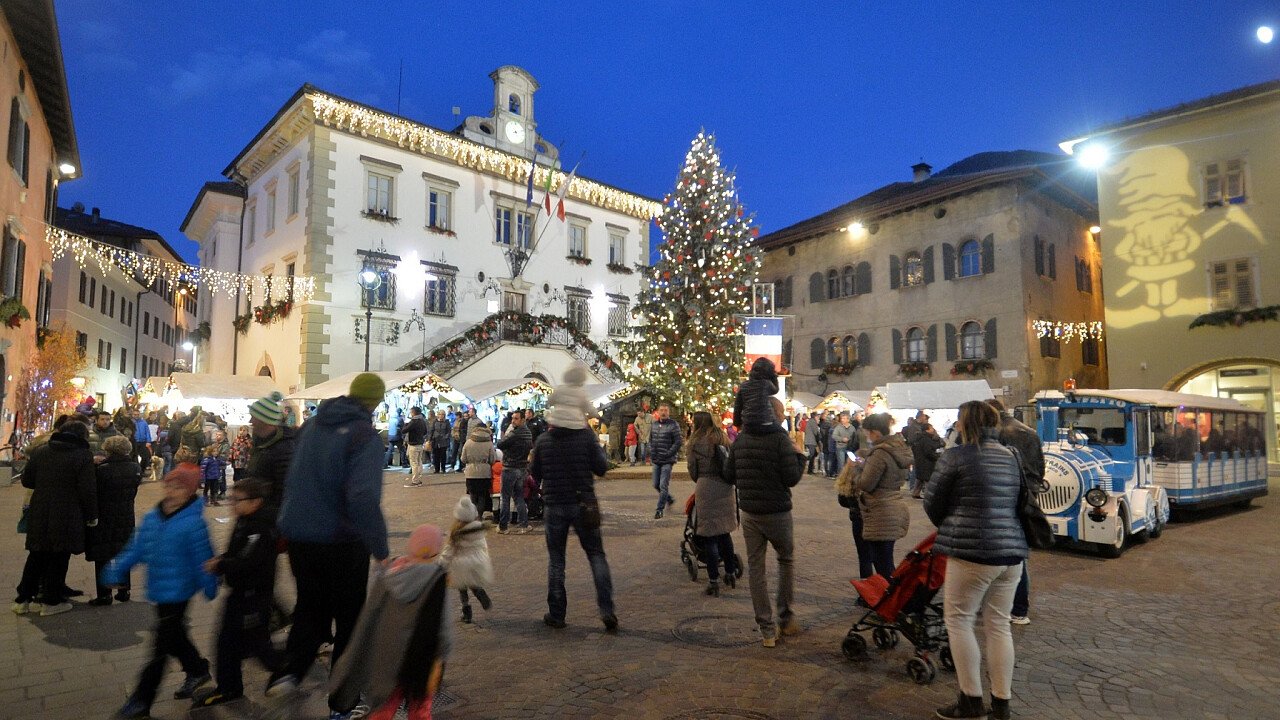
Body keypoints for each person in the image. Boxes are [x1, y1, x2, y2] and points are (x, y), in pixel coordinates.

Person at [269, 373, 390, 720]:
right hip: (341, 540)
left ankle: (289, 673)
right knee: (350, 621)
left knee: (311, 608)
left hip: (300, 536)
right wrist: (380, 548)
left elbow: (294, 477)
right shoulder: (364, 436)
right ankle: (343, 703)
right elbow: (363, 497)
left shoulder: (312, 425)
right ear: (376, 402)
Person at [924, 401, 1028, 720]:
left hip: (973, 553)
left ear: (963, 423)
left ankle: (970, 701)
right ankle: (1001, 704)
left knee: (959, 620)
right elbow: (1022, 500)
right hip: (1012, 553)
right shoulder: (1011, 456)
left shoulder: (956, 456)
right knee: (998, 625)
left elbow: (932, 502)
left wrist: (954, 523)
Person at [106, 465, 217, 719]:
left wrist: (209, 585)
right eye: (169, 484)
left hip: (179, 592)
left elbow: (204, 557)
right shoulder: (152, 518)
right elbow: (136, 548)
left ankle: (141, 701)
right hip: (158, 588)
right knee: (174, 635)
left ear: (190, 492)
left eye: (179, 487)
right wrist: (117, 570)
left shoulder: (194, 523)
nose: (171, 490)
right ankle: (197, 669)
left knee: (160, 648)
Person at [328, 524, 452, 720]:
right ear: (436, 550)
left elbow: (370, 615)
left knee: (383, 709)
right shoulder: (437, 579)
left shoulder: (389, 575)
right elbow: (444, 630)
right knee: (420, 710)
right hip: (422, 659)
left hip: (387, 657)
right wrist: (441, 655)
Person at [192, 479, 284, 708]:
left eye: (237, 499)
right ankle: (230, 686)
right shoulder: (246, 521)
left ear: (255, 502)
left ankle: (292, 668)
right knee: (236, 644)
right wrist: (223, 559)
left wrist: (220, 565)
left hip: (251, 596)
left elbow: (248, 560)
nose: (232, 503)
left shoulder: (260, 527)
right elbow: (239, 553)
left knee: (250, 646)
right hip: (243, 593)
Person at [530, 399, 616, 632]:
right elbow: (601, 467)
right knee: (596, 555)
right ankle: (607, 609)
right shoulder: (586, 437)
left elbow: (534, 472)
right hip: (582, 503)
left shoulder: (544, 440)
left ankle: (557, 613)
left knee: (557, 560)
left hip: (555, 504)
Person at [725, 397, 803, 647]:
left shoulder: (742, 439)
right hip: (777, 512)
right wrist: (801, 458)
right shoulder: (780, 439)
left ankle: (767, 630)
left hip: (750, 512)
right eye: (780, 411)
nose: (783, 415)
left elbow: (728, 474)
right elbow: (791, 478)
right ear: (772, 413)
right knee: (786, 560)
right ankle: (786, 617)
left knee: (756, 569)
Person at [14, 420, 97, 616]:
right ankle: (51, 601)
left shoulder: (41, 451)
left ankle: (23, 599)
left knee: (37, 554)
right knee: (59, 556)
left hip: (40, 509)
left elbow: (27, 480)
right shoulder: (82, 455)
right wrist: (92, 515)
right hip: (68, 512)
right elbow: (88, 490)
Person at [988, 399, 1045, 627]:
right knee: (1018, 552)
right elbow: (1040, 466)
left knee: (1005, 553)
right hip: (1028, 494)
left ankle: (1010, 606)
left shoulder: (996, 434)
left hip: (1004, 495)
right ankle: (1019, 609)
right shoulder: (1029, 431)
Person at [846, 413, 911, 578]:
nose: (867, 436)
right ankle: (891, 599)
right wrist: (865, 464)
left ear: (875, 432)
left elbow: (866, 484)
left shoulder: (879, 453)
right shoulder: (897, 448)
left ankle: (893, 601)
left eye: (868, 432)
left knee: (882, 562)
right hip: (893, 506)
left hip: (880, 511)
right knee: (885, 558)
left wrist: (855, 468)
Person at [685, 411, 738, 597]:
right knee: (724, 533)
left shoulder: (694, 443)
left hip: (706, 487)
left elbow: (693, 470)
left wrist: (701, 478)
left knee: (710, 536)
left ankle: (713, 580)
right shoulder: (722, 437)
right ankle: (730, 573)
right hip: (725, 487)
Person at [87, 435, 141, 605]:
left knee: (103, 555)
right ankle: (124, 590)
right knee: (123, 552)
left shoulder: (102, 470)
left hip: (105, 515)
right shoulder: (135, 468)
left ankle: (104, 594)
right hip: (126, 515)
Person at [441, 496, 494, 623]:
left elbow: (449, 551)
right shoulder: (480, 530)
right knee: (474, 584)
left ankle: (466, 612)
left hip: (461, 565)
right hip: (477, 562)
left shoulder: (456, 533)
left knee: (462, 589)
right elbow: (483, 546)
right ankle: (480, 594)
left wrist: (441, 564)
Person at [496, 410, 533, 534]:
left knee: (505, 498)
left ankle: (503, 526)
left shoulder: (514, 433)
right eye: (512, 418)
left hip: (510, 467)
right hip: (522, 468)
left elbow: (500, 443)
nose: (513, 421)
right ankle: (524, 524)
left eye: (516, 418)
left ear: (523, 420)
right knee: (519, 497)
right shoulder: (528, 433)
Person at [649, 403, 683, 519]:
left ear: (668, 412)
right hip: (656, 459)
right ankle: (669, 498)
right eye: (661, 410)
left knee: (663, 485)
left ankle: (659, 509)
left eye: (665, 410)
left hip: (667, 460)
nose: (663, 412)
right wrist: (652, 452)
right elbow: (651, 440)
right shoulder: (654, 425)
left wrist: (669, 453)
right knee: (656, 484)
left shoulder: (673, 425)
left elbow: (678, 441)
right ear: (658, 412)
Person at [733, 357, 781, 433]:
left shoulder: (743, 386)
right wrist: (774, 377)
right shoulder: (766, 384)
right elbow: (775, 390)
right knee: (782, 434)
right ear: (768, 373)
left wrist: (737, 423)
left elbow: (738, 407)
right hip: (765, 421)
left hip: (748, 422)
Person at [460, 422, 496, 518]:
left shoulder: (468, 442)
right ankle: (479, 516)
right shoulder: (489, 442)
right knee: (482, 496)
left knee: (473, 496)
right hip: (484, 473)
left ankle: (473, 515)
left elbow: (463, 459)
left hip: (471, 473)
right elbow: (493, 459)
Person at [911, 422, 946, 499]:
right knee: (927, 480)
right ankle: (928, 497)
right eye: (931, 428)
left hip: (920, 461)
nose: (933, 429)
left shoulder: (919, 438)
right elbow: (928, 452)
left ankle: (915, 493)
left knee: (920, 478)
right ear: (927, 430)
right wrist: (937, 456)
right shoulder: (926, 439)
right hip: (926, 462)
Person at [403, 407, 430, 487]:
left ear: (414, 413)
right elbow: (425, 432)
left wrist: (406, 424)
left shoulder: (413, 421)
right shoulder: (422, 421)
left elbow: (404, 430)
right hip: (420, 444)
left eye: (411, 412)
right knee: (419, 461)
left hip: (413, 444)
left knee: (414, 462)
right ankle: (419, 478)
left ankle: (415, 481)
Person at [830, 412, 858, 476]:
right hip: (840, 447)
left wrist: (852, 441)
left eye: (844, 418)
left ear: (848, 419)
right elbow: (834, 436)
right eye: (842, 418)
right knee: (841, 464)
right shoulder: (838, 427)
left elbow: (855, 436)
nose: (842, 420)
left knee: (849, 463)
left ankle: (847, 477)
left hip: (849, 448)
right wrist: (842, 439)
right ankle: (841, 478)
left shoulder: (852, 428)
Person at [429, 410, 452, 474]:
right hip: (435, 440)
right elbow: (432, 430)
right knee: (436, 455)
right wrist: (430, 439)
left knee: (443, 455)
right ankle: (437, 469)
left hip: (443, 441)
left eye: (442, 414)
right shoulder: (435, 422)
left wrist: (446, 437)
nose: (441, 416)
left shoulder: (447, 422)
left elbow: (449, 431)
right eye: (440, 414)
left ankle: (443, 468)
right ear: (438, 415)